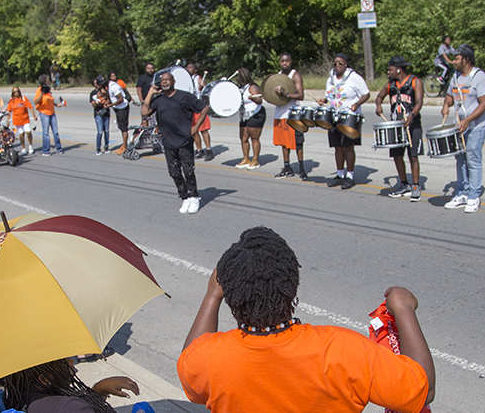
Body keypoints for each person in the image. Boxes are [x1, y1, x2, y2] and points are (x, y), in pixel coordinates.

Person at [177, 226, 435, 413]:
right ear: (293, 285)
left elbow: (190, 367)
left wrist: (212, 297)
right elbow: (423, 391)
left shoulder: (210, 358)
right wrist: (403, 309)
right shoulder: (343, 349)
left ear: (229, 293)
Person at [142, 72, 210, 214]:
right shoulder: (159, 99)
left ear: (174, 81)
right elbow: (145, 111)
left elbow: (204, 108)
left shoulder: (184, 97)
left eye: (168, 80)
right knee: (174, 172)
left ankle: (194, 196)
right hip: (168, 141)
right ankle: (185, 197)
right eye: (162, 80)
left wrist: (195, 127)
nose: (165, 82)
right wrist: (150, 92)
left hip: (184, 139)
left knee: (188, 171)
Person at [441, 44, 485, 213]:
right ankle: (462, 192)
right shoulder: (455, 76)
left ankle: (473, 195)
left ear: (466, 59)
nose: (453, 61)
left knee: (473, 160)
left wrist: (468, 120)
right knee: (460, 160)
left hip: (476, 126)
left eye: (456, 58)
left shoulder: (479, 76)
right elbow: (449, 95)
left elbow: (484, 103)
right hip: (460, 126)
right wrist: (446, 106)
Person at [0, 358, 138, 413]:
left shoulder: (15, 395)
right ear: (44, 379)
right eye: (62, 360)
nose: (71, 361)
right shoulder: (71, 408)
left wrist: (99, 390)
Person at [374, 56, 425, 202]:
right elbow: (379, 97)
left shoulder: (415, 81)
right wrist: (378, 105)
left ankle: (415, 186)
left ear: (398, 69)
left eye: (390, 70)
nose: (388, 72)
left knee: (413, 155)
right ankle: (404, 184)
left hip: (412, 124)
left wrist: (412, 115)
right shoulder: (390, 84)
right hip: (396, 125)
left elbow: (419, 102)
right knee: (397, 156)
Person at [317, 53, 370, 190]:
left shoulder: (354, 78)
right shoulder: (331, 79)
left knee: (348, 146)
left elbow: (366, 93)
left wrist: (357, 104)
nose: (337, 66)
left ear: (346, 64)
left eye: (340, 63)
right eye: (335, 63)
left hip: (348, 116)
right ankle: (340, 174)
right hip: (334, 115)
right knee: (337, 146)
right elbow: (333, 95)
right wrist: (325, 100)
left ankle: (350, 176)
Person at [273, 53, 308, 179]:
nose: (284, 63)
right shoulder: (278, 76)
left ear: (291, 61)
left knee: (298, 142)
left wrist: (286, 95)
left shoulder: (295, 75)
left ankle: (302, 169)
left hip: (293, 114)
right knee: (284, 143)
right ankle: (287, 167)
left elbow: (300, 95)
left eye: (287, 61)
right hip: (280, 113)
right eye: (282, 61)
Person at [235, 68, 265, 170]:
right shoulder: (240, 88)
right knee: (243, 138)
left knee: (254, 138)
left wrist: (253, 98)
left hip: (255, 114)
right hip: (244, 115)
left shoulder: (252, 87)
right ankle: (246, 158)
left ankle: (255, 160)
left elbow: (259, 100)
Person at [187, 63, 214, 162]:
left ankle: (208, 150)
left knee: (203, 129)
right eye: (187, 68)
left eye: (191, 67)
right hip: (190, 107)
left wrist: (202, 88)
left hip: (199, 106)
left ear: (195, 70)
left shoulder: (198, 78)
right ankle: (199, 149)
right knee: (194, 130)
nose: (188, 69)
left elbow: (207, 90)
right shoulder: (185, 79)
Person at [35, 74, 63, 156]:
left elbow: (50, 101)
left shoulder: (49, 90)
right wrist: (42, 93)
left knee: (56, 131)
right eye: (48, 80)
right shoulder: (40, 90)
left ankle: (59, 148)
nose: (50, 82)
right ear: (45, 81)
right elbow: (36, 101)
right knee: (46, 133)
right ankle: (46, 151)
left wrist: (58, 105)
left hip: (52, 112)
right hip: (44, 113)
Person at [6, 86, 37, 155]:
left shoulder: (23, 98)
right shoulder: (11, 101)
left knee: (28, 132)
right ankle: (23, 148)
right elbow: (9, 111)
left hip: (25, 119)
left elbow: (30, 107)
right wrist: (7, 120)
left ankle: (30, 145)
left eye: (17, 91)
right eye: (14, 92)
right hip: (17, 120)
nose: (16, 93)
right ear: (13, 93)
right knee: (21, 134)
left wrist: (34, 115)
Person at [106, 73, 130, 156]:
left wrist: (111, 105)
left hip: (122, 108)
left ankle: (125, 146)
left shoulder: (113, 87)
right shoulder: (109, 86)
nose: (114, 77)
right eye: (112, 76)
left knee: (124, 128)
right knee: (120, 125)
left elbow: (121, 99)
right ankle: (124, 143)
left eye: (115, 76)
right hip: (118, 108)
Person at [91, 76, 112, 155]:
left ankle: (106, 147)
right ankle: (98, 148)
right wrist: (97, 98)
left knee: (106, 131)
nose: (98, 85)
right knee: (100, 131)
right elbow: (94, 105)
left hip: (106, 113)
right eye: (96, 84)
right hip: (98, 114)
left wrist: (106, 94)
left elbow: (109, 100)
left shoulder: (105, 91)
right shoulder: (93, 93)